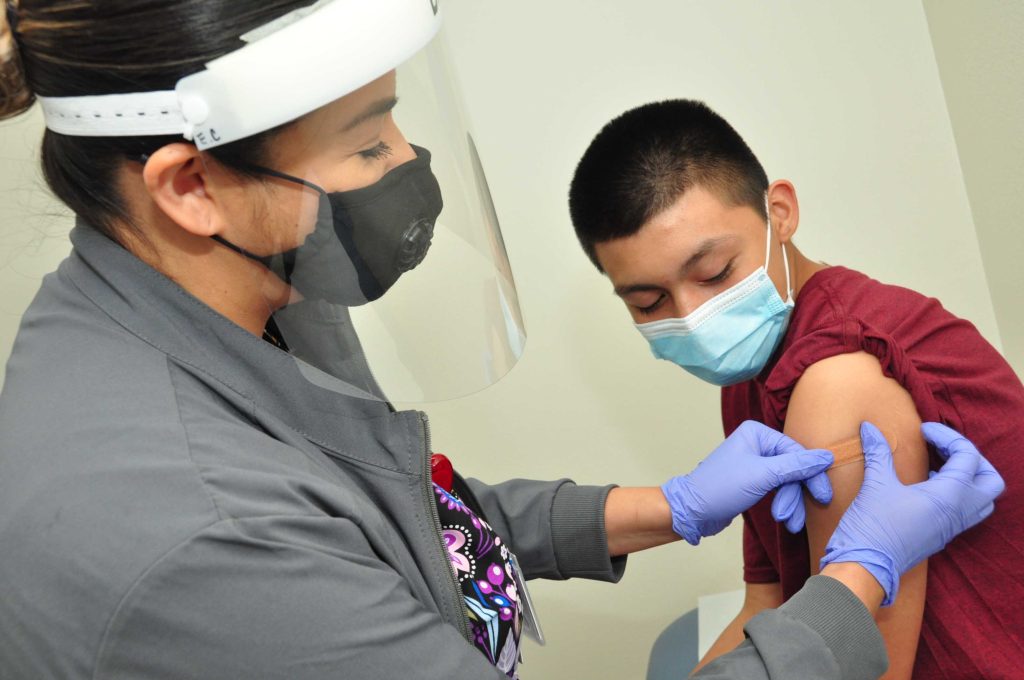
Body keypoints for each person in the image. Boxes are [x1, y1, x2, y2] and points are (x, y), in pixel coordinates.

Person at [0, 2, 1006, 679]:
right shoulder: (197, 537)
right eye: (366, 143)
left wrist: (668, 507)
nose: (409, 164)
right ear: (191, 187)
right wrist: (861, 570)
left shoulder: (247, 293)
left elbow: (395, 512)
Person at [568, 99, 1024, 679]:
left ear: (780, 213)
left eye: (714, 273)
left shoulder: (840, 378)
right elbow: (767, 606)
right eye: (649, 302)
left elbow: (865, 669)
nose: (693, 317)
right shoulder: (754, 372)